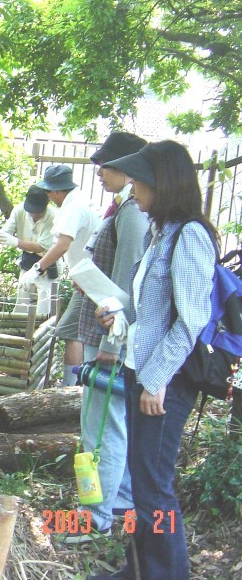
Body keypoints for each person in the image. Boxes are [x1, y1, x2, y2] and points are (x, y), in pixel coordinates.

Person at [88, 141, 215, 580]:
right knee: (142, 482)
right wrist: (118, 317)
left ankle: (165, 573)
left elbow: (192, 318)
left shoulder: (191, 234)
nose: (134, 188)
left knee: (155, 486)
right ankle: (140, 569)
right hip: (141, 370)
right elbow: (153, 312)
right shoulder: (160, 231)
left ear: (164, 183)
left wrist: (157, 380)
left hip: (167, 382)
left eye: (140, 180)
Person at [62, 132, 149, 544]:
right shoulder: (124, 208)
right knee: (111, 424)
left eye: (107, 166)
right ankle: (121, 504)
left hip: (110, 336)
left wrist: (113, 346)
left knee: (100, 429)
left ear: (131, 169)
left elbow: (128, 285)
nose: (100, 174)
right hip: (105, 330)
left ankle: (94, 517)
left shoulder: (132, 213)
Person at [19, 164, 100, 386]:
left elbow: (63, 244)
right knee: (84, 332)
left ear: (56, 191)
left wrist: (37, 269)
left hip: (92, 280)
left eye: (49, 192)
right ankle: (78, 385)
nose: (48, 197)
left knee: (70, 330)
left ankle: (70, 388)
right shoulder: (80, 200)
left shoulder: (74, 207)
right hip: (88, 277)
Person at [0, 185, 57, 314]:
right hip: (28, 262)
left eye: (38, 212)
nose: (34, 215)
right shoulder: (19, 210)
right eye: (32, 211)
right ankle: (20, 333)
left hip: (48, 263)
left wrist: (16, 242)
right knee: (22, 304)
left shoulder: (53, 216)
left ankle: (41, 332)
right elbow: (5, 234)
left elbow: (41, 246)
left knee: (44, 308)